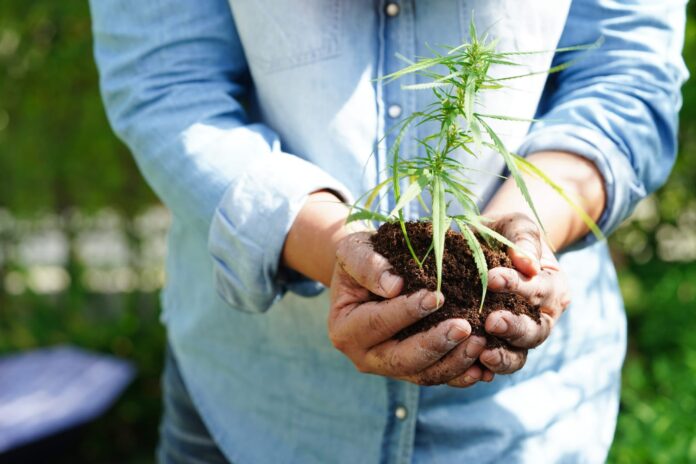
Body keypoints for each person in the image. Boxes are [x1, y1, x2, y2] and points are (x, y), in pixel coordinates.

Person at [89, 1, 687, 462]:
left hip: (527, 421)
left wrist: (525, 236)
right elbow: (166, 86)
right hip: (255, 404)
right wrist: (332, 244)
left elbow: (625, 77)